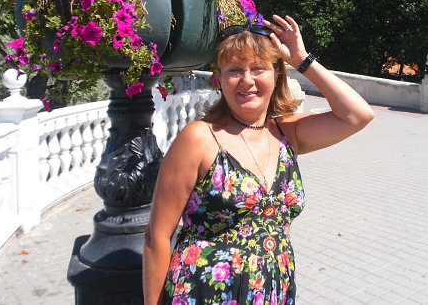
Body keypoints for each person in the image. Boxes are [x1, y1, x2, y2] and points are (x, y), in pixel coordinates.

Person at [143, 15, 374, 304]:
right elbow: (157, 236)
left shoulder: (287, 133)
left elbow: (357, 115)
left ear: (277, 74)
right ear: (220, 78)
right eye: (234, 70)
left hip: (271, 291)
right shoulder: (200, 138)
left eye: (258, 68)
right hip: (206, 292)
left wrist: (302, 60)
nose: (247, 80)